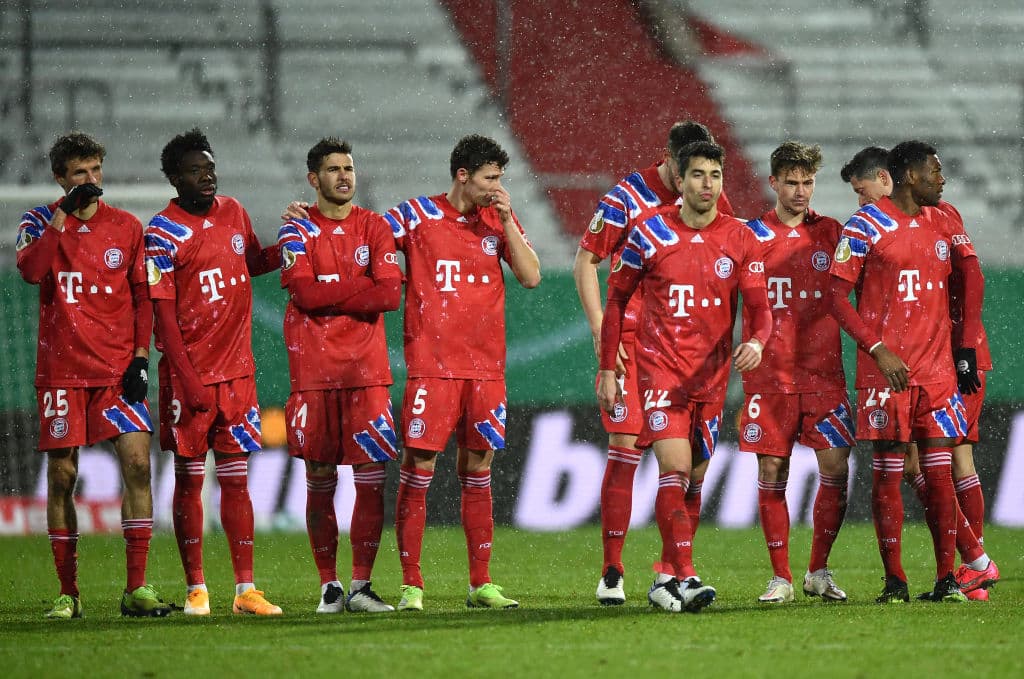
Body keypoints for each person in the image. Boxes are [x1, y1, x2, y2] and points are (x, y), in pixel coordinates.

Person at [597, 140, 771, 612]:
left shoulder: (740, 237)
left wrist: (757, 342)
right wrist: (608, 368)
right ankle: (687, 575)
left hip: (711, 379)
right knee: (673, 469)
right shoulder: (649, 232)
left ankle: (665, 578)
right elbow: (616, 300)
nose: (707, 184)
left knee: (694, 480)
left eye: (715, 175)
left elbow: (760, 308)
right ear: (680, 180)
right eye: (697, 174)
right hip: (660, 372)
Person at [573, 120, 733, 605]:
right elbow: (585, 261)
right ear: (669, 159)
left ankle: (669, 574)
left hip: (684, 350)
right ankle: (612, 570)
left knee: (690, 468)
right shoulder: (626, 197)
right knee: (625, 448)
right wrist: (601, 329)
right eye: (688, 169)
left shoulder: (712, 199)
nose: (699, 181)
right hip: (632, 342)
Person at [16, 132, 170, 619]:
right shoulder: (38, 222)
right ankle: (69, 592)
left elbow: (143, 297)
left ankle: (136, 589)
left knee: (139, 464)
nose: (91, 179)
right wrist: (62, 216)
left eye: (96, 169)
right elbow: (31, 271)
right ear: (60, 178)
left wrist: (141, 358)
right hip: (61, 373)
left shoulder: (126, 227)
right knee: (62, 476)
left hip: (116, 372)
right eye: (80, 172)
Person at [384, 134, 541, 611]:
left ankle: (481, 583)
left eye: (500, 178)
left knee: (478, 470)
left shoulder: (497, 220)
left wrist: (508, 219)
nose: (497, 187)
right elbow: (362, 236)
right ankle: (412, 584)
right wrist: (311, 220)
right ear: (462, 175)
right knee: (419, 467)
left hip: (486, 370)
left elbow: (531, 276)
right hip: (432, 368)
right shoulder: (415, 215)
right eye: (490, 178)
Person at [829, 140, 986, 603]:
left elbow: (971, 279)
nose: (942, 178)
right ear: (910, 176)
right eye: (934, 171)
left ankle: (947, 579)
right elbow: (836, 297)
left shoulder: (944, 220)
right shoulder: (864, 224)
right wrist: (878, 349)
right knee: (888, 474)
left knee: (939, 476)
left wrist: (964, 348)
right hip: (887, 373)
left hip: (937, 372)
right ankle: (895, 581)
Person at [145, 128, 283, 615]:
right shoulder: (161, 233)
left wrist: (291, 243)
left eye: (210, 167)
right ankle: (196, 588)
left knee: (237, 480)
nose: (207, 176)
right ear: (174, 178)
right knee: (188, 479)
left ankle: (246, 591)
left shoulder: (234, 211)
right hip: (190, 377)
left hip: (237, 374)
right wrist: (188, 380)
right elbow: (163, 318)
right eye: (194, 171)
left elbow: (253, 261)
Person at [277, 138, 402, 613]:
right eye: (333, 169)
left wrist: (330, 288)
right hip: (313, 373)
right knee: (320, 477)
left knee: (371, 479)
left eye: (348, 168)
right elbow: (305, 296)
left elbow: (389, 295)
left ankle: (361, 585)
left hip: (367, 373)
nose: (344, 176)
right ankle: (329, 585)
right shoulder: (296, 229)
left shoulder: (375, 226)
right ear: (314, 179)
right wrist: (359, 286)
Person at [738, 142, 853, 604]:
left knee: (836, 468)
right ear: (774, 183)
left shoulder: (832, 233)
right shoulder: (749, 235)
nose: (801, 191)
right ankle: (781, 577)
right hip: (770, 375)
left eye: (807, 182)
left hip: (824, 375)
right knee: (773, 468)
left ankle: (818, 570)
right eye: (791, 182)